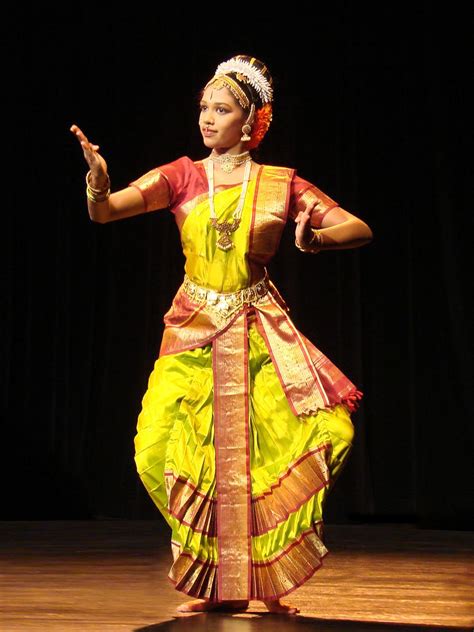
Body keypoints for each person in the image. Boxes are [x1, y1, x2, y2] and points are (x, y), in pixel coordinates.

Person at [70, 54, 373, 616]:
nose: (207, 118)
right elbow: (107, 213)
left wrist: (319, 242)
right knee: (155, 452)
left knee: (278, 452)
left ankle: (259, 577)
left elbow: (357, 227)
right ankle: (218, 573)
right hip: (193, 332)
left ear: (251, 120)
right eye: (204, 107)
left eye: (222, 108)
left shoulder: (280, 185)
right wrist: (97, 185)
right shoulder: (182, 175)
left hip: (260, 335)